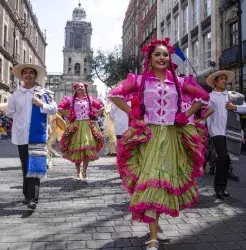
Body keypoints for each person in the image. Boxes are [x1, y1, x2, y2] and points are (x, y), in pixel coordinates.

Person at [108, 38, 209, 250]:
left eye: (165, 54)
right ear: (150, 58)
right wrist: (132, 112)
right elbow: (115, 94)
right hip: (149, 137)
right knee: (152, 180)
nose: (162, 58)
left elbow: (203, 97)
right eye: (157, 55)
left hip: (172, 137)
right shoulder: (140, 81)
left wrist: (185, 114)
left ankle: (155, 227)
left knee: (163, 183)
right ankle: (153, 235)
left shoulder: (179, 82)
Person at [5, 63, 57, 210]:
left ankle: (33, 198)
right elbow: (10, 112)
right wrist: (18, 118)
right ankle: (27, 195)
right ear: (22, 76)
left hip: (37, 134)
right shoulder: (16, 94)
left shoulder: (44, 93)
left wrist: (41, 104)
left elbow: (53, 109)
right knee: (25, 165)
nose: (28, 75)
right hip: (21, 134)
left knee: (34, 165)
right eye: (25, 73)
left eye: (31, 73)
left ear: (35, 76)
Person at [206, 70, 246, 200]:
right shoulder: (210, 96)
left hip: (231, 132)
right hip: (217, 132)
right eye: (221, 79)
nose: (224, 81)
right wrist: (211, 131)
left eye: (225, 79)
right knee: (222, 158)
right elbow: (207, 115)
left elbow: (245, 107)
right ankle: (218, 188)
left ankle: (223, 188)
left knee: (228, 160)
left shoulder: (233, 96)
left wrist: (235, 107)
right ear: (215, 82)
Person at [58, 82, 104, 181]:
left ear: (85, 88)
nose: (80, 88)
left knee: (87, 148)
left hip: (87, 126)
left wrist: (96, 115)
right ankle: (78, 172)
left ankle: (84, 172)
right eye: (78, 87)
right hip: (76, 126)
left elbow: (101, 107)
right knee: (77, 149)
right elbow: (60, 108)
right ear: (75, 89)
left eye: (82, 86)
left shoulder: (90, 99)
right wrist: (68, 115)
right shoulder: (71, 100)